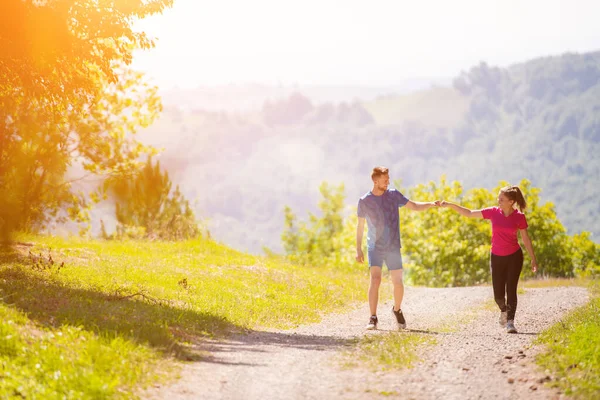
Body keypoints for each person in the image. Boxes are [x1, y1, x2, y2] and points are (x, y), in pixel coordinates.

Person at [440, 185, 538, 333]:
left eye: (502, 199)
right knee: (498, 295)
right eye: (498, 198)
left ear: (511, 202)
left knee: (511, 289)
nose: (498, 201)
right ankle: (504, 310)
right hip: (497, 257)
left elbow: (525, 238)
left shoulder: (519, 217)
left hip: (514, 257)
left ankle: (510, 322)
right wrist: (450, 205)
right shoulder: (493, 212)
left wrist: (533, 258)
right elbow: (469, 213)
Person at [356, 166, 437, 330]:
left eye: (388, 179)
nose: (388, 182)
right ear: (375, 180)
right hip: (374, 246)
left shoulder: (393, 195)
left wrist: (431, 204)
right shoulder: (364, 201)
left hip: (393, 245)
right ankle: (373, 317)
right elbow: (360, 226)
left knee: (398, 282)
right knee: (375, 279)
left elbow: (414, 206)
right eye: (385, 179)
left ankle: (397, 309)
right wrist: (358, 249)